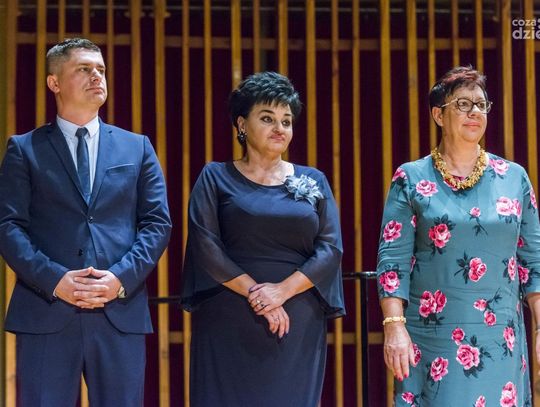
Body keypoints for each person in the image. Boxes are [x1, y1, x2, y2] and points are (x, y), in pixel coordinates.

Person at [0, 38, 171, 406]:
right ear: (54, 82)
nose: (97, 76)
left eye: (101, 70)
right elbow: (9, 227)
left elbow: (157, 223)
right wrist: (54, 280)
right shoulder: (24, 149)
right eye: (84, 69)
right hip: (46, 309)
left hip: (118, 310)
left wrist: (120, 279)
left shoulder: (137, 147)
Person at [377, 65, 540, 406]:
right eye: (463, 104)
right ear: (439, 115)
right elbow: (392, 264)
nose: (475, 112)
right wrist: (393, 326)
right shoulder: (410, 177)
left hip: (500, 339)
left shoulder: (514, 177)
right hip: (430, 337)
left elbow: (533, 261)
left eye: (481, 104)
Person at [181, 71, 344, 406]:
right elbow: (205, 246)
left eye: (287, 121)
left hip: (297, 315)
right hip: (229, 312)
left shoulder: (314, 179)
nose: (279, 128)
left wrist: (281, 292)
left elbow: (330, 248)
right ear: (242, 124)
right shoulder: (215, 177)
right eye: (267, 118)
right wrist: (258, 295)